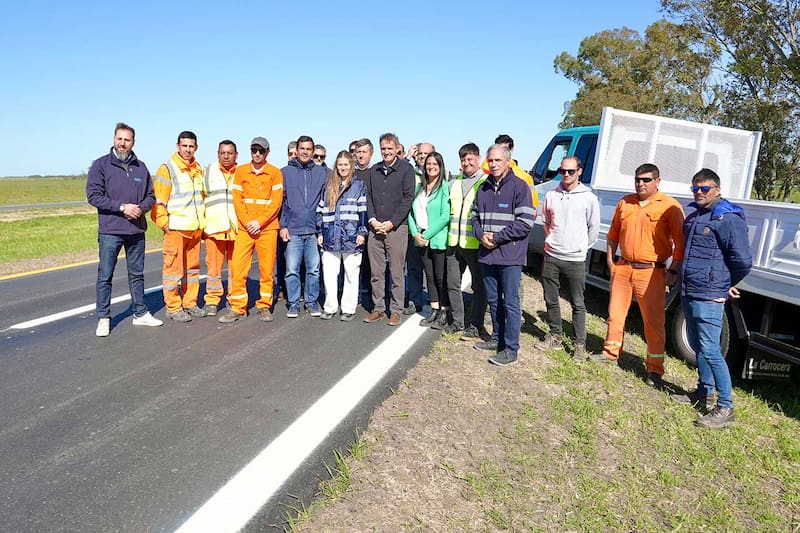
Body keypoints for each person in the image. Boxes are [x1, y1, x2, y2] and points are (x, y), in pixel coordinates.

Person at [589, 163, 685, 389]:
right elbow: (613, 234)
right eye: (637, 180)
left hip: (652, 272)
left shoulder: (670, 206)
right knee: (615, 315)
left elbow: (680, 243)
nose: (641, 184)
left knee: (653, 322)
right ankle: (610, 353)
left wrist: (673, 270)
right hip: (623, 268)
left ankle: (654, 369)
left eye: (646, 180)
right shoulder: (625, 202)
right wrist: (611, 261)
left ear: (657, 181)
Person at [671, 169, 752, 428]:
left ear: (717, 189)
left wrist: (724, 283)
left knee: (711, 350)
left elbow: (742, 261)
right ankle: (703, 392)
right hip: (689, 290)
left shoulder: (728, 219)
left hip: (709, 295)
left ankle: (726, 407)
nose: (699, 192)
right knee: (698, 346)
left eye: (704, 188)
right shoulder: (696, 216)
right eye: (695, 188)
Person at [86, 122, 163, 336]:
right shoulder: (101, 165)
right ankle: (103, 318)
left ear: (133, 142)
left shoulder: (140, 167)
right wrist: (122, 208)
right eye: (119, 139)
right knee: (105, 275)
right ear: (114, 139)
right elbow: (93, 196)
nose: (122, 143)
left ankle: (140, 313)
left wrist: (140, 209)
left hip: (136, 230)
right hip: (110, 230)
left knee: (137, 274)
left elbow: (151, 196)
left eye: (127, 140)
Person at [471, 144, 536, 366]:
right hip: (487, 255)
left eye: (498, 160)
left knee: (510, 303)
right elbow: (474, 217)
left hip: (510, 256)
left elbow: (525, 222)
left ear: (508, 162)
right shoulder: (483, 188)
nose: (494, 164)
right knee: (493, 301)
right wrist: (481, 235)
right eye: (490, 160)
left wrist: (497, 238)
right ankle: (496, 339)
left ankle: (511, 348)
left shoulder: (520, 187)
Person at [536, 156, 600, 360]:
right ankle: (555, 335)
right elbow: (546, 221)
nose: (566, 175)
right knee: (550, 298)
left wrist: (580, 247)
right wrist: (553, 240)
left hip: (575, 259)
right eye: (562, 171)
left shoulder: (589, 198)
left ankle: (579, 344)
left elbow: (593, 229)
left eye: (570, 171)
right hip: (552, 255)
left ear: (579, 171)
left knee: (577, 303)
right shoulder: (551, 195)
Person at [217, 137, 283, 323]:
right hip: (246, 229)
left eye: (261, 151)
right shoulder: (241, 171)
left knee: (266, 270)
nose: (257, 154)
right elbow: (238, 200)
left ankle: (264, 305)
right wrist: (248, 222)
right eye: (254, 150)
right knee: (238, 268)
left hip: (267, 229)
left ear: (267, 152)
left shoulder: (275, 173)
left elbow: (275, 203)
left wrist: (259, 222)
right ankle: (238, 307)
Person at [152, 131, 207, 322]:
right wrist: (164, 224)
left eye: (191, 146)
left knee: (192, 270)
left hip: (195, 230)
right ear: (178, 146)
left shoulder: (198, 169)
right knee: (173, 270)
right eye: (184, 146)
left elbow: (201, 198)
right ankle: (173, 307)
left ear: (196, 148)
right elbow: (159, 201)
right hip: (175, 229)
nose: (188, 150)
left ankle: (190, 303)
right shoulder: (167, 169)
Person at [363, 133, 416, 326]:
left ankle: (395, 310)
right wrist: (372, 220)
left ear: (397, 149)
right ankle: (378, 308)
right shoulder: (374, 170)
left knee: (396, 272)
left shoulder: (406, 170)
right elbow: (368, 197)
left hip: (396, 229)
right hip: (375, 228)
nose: (386, 152)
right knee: (376, 273)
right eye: (383, 149)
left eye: (390, 148)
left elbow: (408, 198)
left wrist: (392, 223)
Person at [444, 143, 489, 339]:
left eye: (470, 159)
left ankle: (476, 324)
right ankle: (458, 321)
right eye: (463, 159)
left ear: (478, 158)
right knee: (453, 283)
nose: (466, 163)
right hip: (454, 243)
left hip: (475, 244)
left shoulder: (486, 182)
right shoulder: (454, 183)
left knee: (478, 286)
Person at [316, 151, 368, 321]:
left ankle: (348, 308)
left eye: (346, 164)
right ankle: (330, 307)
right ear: (336, 166)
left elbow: (363, 211)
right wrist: (320, 232)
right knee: (329, 274)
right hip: (330, 236)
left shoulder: (358, 185)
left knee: (351, 274)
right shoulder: (328, 185)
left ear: (351, 166)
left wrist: (362, 232)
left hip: (351, 236)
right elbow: (320, 210)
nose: (343, 168)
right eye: (340, 165)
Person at [280, 135, 328, 317]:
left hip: (314, 230)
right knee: (292, 270)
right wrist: (283, 226)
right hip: (293, 230)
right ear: (297, 150)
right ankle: (293, 303)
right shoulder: (285, 172)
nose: (305, 152)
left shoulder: (322, 173)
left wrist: (322, 228)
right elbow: (281, 202)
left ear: (312, 151)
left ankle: (311, 302)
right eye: (302, 149)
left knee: (314, 270)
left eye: (309, 149)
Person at [408, 151, 451, 328]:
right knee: (430, 276)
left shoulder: (445, 187)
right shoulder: (420, 187)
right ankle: (434, 309)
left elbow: (445, 216)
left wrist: (426, 235)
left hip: (436, 239)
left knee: (441, 277)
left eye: (435, 164)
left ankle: (444, 311)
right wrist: (415, 234)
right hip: (420, 238)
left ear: (440, 167)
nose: (431, 167)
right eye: (428, 164)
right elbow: (411, 212)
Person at [202, 139, 238, 316]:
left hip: (236, 229)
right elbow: (200, 198)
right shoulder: (208, 171)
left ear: (236, 155)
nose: (226, 156)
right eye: (222, 153)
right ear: (218, 154)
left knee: (236, 269)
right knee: (213, 269)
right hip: (214, 229)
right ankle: (212, 301)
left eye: (229, 153)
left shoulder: (242, 173)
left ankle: (234, 298)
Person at [403, 141, 435, 316]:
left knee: (432, 271)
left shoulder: (441, 175)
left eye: (426, 153)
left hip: (433, 233)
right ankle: (415, 301)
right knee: (413, 269)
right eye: (420, 153)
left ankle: (435, 302)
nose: (422, 156)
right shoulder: (410, 173)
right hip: (413, 232)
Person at [481, 134, 540, 212]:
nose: (501, 153)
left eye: (505, 150)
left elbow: (532, 207)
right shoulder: (481, 174)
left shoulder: (524, 177)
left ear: (511, 150)